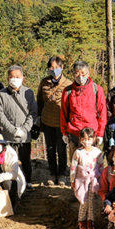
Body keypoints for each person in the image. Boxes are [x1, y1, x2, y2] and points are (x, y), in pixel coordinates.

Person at [0, 65, 38, 185]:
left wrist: (24, 129)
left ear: (22, 77)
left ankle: (28, 181)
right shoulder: (2, 94)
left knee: (25, 159)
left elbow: (33, 112)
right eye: (12, 77)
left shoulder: (28, 93)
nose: (14, 79)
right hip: (8, 134)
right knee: (8, 160)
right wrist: (12, 130)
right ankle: (11, 182)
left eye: (17, 76)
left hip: (24, 134)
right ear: (8, 78)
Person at [60, 61, 106, 163]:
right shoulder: (68, 91)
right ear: (73, 74)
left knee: (92, 164)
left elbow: (102, 113)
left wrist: (100, 134)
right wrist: (64, 132)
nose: (80, 76)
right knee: (75, 163)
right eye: (77, 73)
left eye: (83, 73)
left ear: (88, 73)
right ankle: (73, 179)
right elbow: (64, 113)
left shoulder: (97, 90)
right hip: (74, 133)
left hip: (91, 134)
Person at [37, 56, 72, 185]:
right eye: (51, 67)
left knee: (62, 149)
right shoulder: (44, 82)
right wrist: (39, 119)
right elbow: (40, 101)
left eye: (56, 67)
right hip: (47, 122)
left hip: (62, 123)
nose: (54, 70)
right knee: (50, 148)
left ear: (62, 67)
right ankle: (52, 173)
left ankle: (62, 174)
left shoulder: (68, 84)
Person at [70, 127, 103, 229]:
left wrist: (101, 179)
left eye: (89, 138)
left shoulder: (97, 152)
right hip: (81, 179)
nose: (86, 141)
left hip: (93, 179)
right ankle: (81, 220)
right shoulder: (78, 152)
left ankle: (90, 220)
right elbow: (73, 168)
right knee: (83, 201)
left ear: (94, 139)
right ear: (80, 139)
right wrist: (72, 180)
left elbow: (101, 166)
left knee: (91, 201)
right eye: (84, 139)